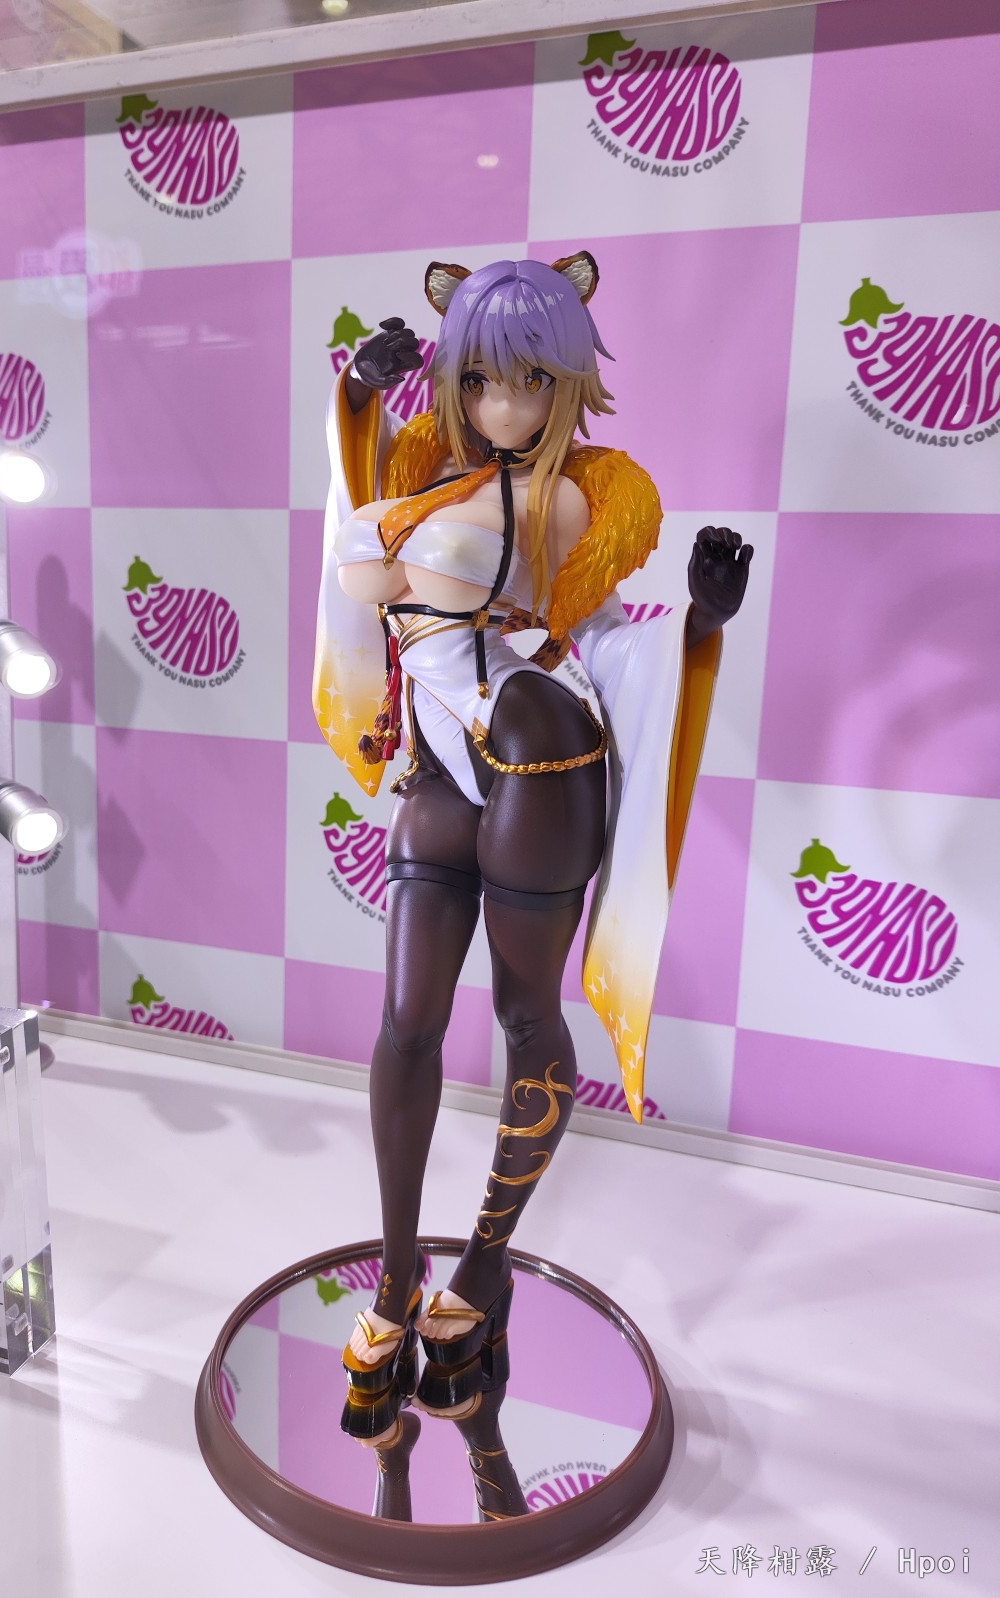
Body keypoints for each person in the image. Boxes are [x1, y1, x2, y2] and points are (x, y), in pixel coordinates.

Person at [314, 254, 750, 1406]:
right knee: (406, 1020)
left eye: (530, 381)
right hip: (441, 766)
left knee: (524, 1013)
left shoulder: (585, 497)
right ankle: (395, 1277)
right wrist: (356, 396)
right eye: (479, 380)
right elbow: (358, 536)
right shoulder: (424, 474)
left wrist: (700, 621)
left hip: (541, 751)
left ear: (567, 384)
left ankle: (484, 1261)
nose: (503, 405)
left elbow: (601, 636)